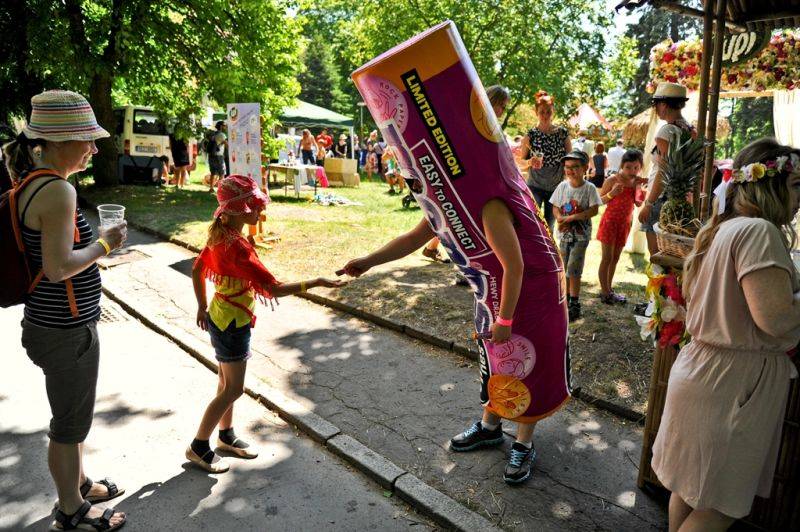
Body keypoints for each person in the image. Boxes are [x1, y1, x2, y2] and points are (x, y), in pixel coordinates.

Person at [652, 138, 800, 531]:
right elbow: (777, 320)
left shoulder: (721, 230)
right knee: (720, 504)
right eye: (797, 185)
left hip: (705, 372)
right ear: (771, 184)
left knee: (690, 487)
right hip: (734, 386)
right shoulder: (759, 233)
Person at [5, 90, 128, 531]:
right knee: (69, 424)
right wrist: (105, 245)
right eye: (86, 140)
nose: (94, 148)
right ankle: (70, 509)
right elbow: (58, 269)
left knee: (76, 414)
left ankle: (80, 484)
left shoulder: (32, 182)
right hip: (65, 329)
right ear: (57, 142)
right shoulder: (57, 191)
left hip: (53, 324)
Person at [188, 175, 346, 473]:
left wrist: (201, 304)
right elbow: (272, 288)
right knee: (233, 389)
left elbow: (197, 269)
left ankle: (225, 436)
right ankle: (198, 446)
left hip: (220, 315)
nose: (260, 212)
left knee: (224, 383)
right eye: (254, 207)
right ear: (236, 211)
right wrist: (316, 282)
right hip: (233, 322)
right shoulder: (238, 248)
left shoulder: (219, 234)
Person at [637, 82, 697, 256]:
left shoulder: (666, 131)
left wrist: (649, 203)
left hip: (661, 198)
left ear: (663, 105)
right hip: (680, 198)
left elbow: (663, 170)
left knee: (657, 254)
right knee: (675, 252)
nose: (656, 109)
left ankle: (659, 284)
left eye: (656, 105)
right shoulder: (689, 129)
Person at [550, 150, 602, 321]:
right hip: (564, 235)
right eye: (567, 167)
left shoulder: (590, 188)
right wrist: (558, 216)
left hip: (580, 236)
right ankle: (563, 300)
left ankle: (574, 303)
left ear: (585, 167)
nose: (570, 170)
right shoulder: (562, 186)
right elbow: (555, 206)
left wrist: (574, 217)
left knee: (574, 268)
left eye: (575, 167)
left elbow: (594, 210)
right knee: (564, 267)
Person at [596, 149, 646, 304]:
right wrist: (612, 193)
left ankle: (609, 289)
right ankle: (604, 292)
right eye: (628, 167)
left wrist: (639, 188)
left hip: (624, 224)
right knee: (607, 258)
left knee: (616, 258)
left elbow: (638, 203)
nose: (632, 171)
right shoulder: (613, 180)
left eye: (636, 168)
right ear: (622, 166)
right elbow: (599, 200)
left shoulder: (635, 182)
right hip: (610, 222)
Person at [520, 90, 571, 232]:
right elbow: (521, 163)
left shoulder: (562, 133)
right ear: (536, 112)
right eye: (542, 112)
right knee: (532, 223)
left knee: (549, 226)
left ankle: (548, 254)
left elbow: (570, 159)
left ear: (553, 111)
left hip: (556, 188)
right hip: (534, 186)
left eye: (548, 111)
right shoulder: (530, 135)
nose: (545, 115)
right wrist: (530, 162)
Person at [208, 128, 227, 192]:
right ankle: (221, 190)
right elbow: (227, 144)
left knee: (213, 173)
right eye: (224, 126)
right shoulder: (222, 135)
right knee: (222, 173)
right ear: (221, 126)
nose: (226, 127)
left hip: (211, 155)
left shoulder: (214, 135)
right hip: (219, 156)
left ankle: (211, 188)